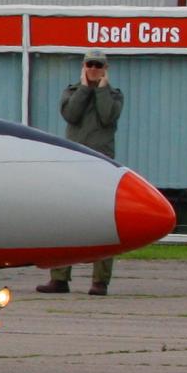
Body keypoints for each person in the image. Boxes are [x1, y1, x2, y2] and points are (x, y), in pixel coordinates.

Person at [37, 49, 124, 296]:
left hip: (102, 162)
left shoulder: (114, 95)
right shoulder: (72, 92)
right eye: (90, 64)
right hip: (74, 161)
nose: (94, 69)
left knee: (105, 219)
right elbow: (71, 115)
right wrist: (85, 88)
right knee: (66, 218)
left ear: (106, 68)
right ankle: (60, 278)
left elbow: (108, 117)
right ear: (83, 67)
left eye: (98, 65)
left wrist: (101, 89)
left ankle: (100, 282)